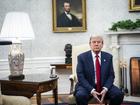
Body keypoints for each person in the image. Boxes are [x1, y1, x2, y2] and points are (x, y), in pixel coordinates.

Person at [75, 36, 124, 105]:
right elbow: (80, 76)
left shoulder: (108, 57)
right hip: (86, 86)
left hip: (104, 85)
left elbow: (111, 75)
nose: (96, 44)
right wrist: (91, 90)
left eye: (99, 42)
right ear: (90, 44)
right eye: (94, 42)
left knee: (118, 94)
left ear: (102, 44)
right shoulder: (82, 57)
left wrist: (106, 88)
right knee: (80, 95)